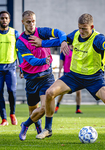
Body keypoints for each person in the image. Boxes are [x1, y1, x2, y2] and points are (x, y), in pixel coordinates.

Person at [33, 13, 105, 143]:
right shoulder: (76, 34)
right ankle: (48, 129)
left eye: (84, 28)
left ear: (92, 27)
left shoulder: (97, 38)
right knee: (50, 93)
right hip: (74, 76)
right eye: (79, 28)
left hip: (94, 78)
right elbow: (60, 40)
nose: (81, 31)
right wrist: (42, 43)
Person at [17, 10, 68, 141]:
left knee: (45, 108)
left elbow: (59, 33)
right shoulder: (21, 41)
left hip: (46, 77)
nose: (31, 24)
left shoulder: (42, 32)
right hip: (31, 80)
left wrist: (62, 41)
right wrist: (43, 60)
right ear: (23, 22)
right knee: (33, 111)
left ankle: (26, 125)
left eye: (33, 21)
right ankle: (38, 127)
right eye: (28, 22)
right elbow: (31, 61)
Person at [55, 45, 82, 114]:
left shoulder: (77, 51)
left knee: (78, 92)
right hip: (67, 74)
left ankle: (78, 109)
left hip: (76, 74)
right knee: (62, 92)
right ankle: (57, 107)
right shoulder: (65, 51)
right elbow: (61, 62)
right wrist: (60, 73)